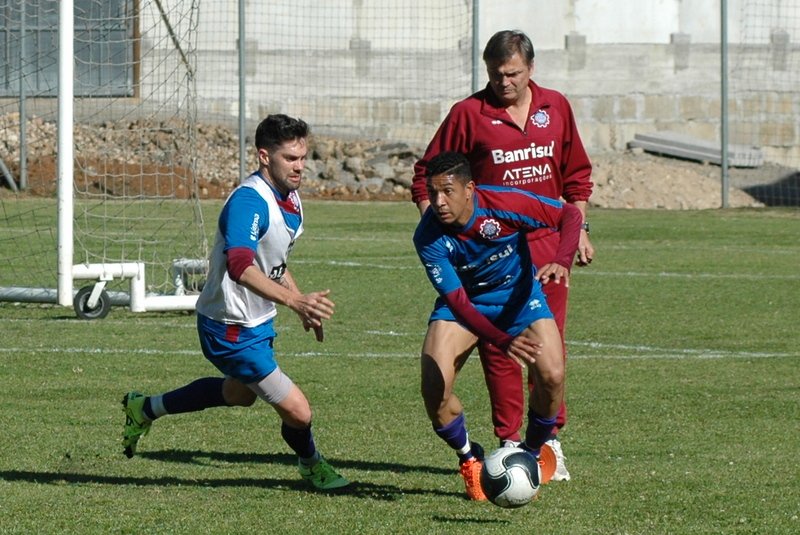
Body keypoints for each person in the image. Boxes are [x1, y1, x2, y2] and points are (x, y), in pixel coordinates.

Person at [121, 114, 349, 491]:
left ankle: (144, 408)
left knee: (237, 395)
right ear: (264, 156)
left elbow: (272, 262)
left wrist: (300, 300)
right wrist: (296, 302)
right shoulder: (249, 203)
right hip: (229, 327)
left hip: (256, 320)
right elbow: (241, 266)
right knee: (298, 411)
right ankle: (311, 465)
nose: (300, 166)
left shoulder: (289, 198)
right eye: (290, 158)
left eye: (303, 157)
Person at [411, 29, 595, 482]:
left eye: (512, 74)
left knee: (550, 356)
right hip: (483, 246)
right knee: (499, 354)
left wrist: (579, 232)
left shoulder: (557, 107)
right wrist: (443, 226)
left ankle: (547, 443)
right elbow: (425, 175)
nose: (503, 82)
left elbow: (575, 176)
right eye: (495, 75)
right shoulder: (468, 114)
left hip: (546, 246)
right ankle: (508, 441)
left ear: (531, 69)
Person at [413, 151, 582, 501]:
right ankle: (469, 458)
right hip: (465, 307)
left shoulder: (504, 203)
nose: (438, 202)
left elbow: (570, 214)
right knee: (434, 387)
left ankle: (530, 455)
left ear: (470, 189)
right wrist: (501, 340)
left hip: (519, 300)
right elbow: (458, 303)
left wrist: (562, 260)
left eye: (447, 191)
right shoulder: (427, 237)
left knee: (552, 375)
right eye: (432, 193)